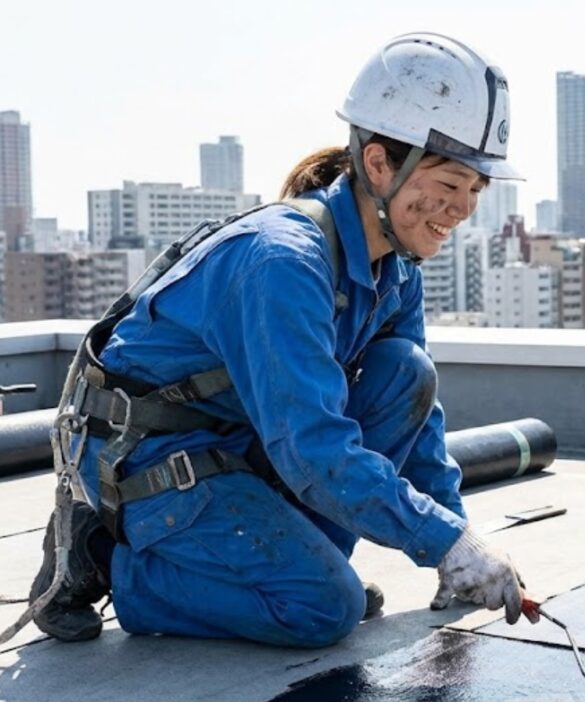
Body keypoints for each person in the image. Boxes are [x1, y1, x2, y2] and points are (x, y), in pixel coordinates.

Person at [29, 32, 537, 647]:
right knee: (323, 610)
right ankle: (102, 553)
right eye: (450, 185)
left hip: (240, 440)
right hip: (150, 455)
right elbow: (312, 450)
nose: (461, 210)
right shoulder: (284, 262)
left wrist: (457, 542)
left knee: (405, 369)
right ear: (379, 164)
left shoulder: (395, 266)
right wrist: (439, 541)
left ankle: (294, 570)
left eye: (476, 192)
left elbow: (416, 416)